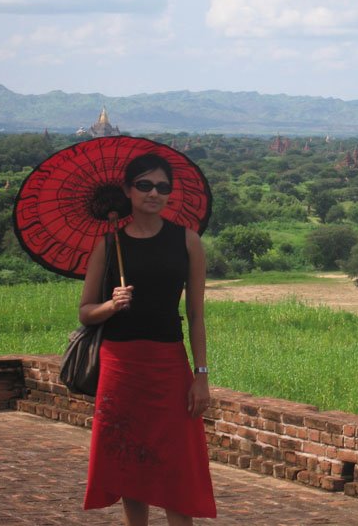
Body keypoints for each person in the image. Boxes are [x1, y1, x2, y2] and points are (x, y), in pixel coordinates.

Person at [79, 153, 216, 524]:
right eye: (144, 185)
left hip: (168, 361)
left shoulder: (187, 242)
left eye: (162, 187)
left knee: (177, 460)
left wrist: (201, 375)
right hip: (120, 364)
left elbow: (196, 315)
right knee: (128, 457)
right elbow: (85, 311)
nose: (153, 193)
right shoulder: (109, 246)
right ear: (128, 190)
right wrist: (111, 304)